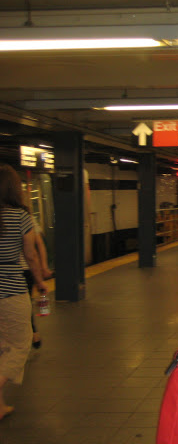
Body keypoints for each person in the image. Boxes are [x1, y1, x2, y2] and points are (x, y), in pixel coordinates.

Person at [0, 164, 47, 420]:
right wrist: (39, 280)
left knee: (2, 346)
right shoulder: (20, 216)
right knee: (21, 343)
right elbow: (30, 255)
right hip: (11, 290)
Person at [19, 215, 53, 348]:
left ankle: (32, 332)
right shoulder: (24, 216)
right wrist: (42, 270)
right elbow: (37, 247)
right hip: (24, 270)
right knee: (25, 302)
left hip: (16, 271)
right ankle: (33, 332)